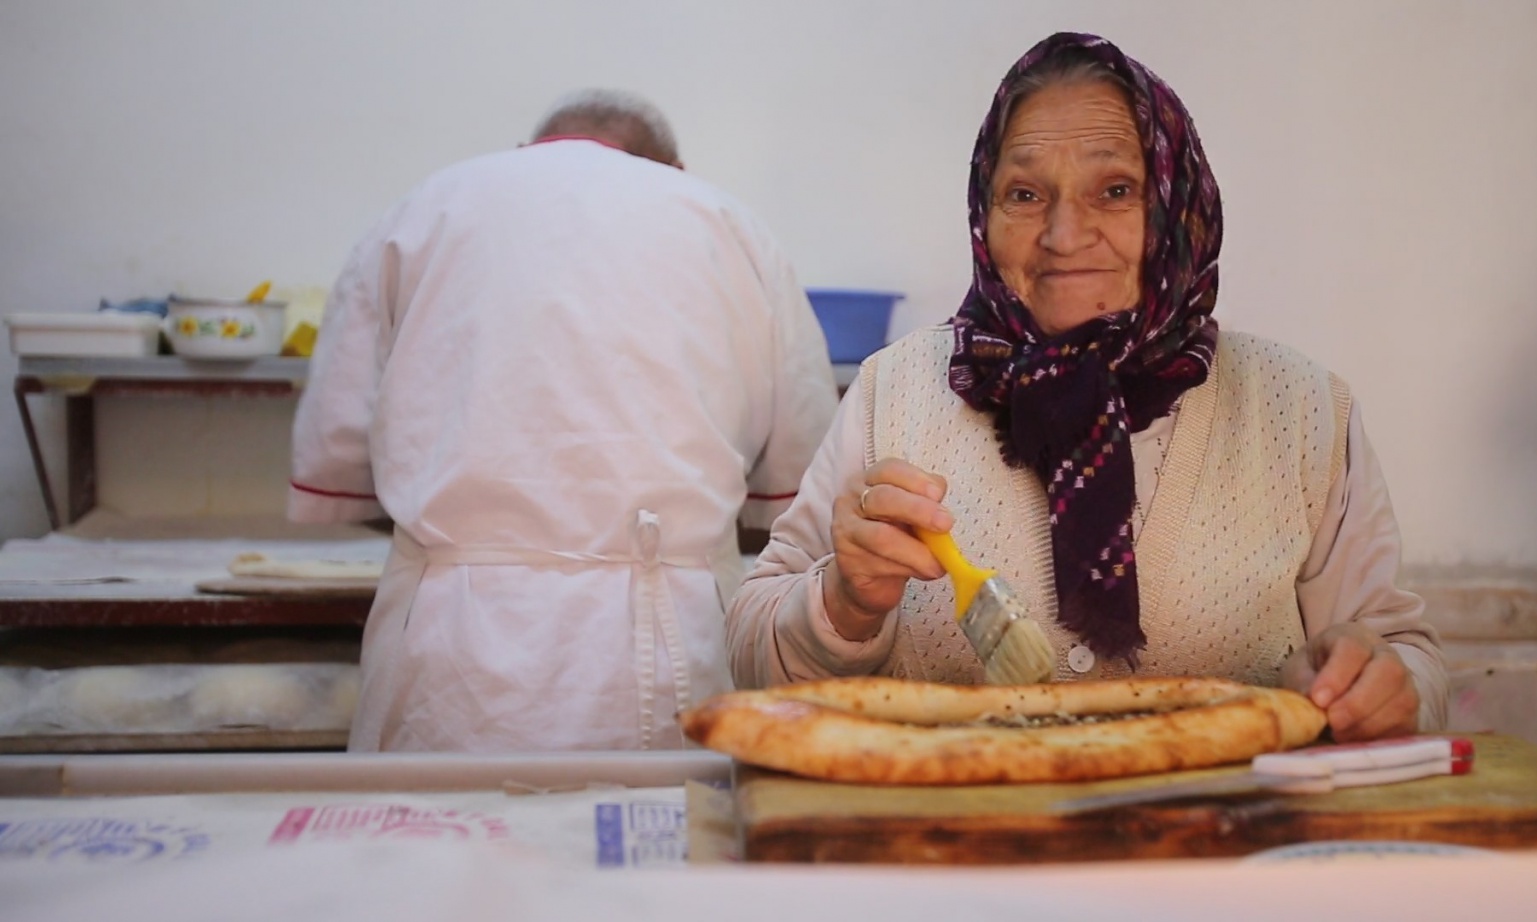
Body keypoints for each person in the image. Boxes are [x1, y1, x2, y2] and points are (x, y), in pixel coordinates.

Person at [727, 33, 1446, 742]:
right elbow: (753, 656)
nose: (1065, 235)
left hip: (1228, 822)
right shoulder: (895, 393)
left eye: (1115, 191)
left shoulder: (1301, 410)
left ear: (1178, 203)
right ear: (984, 212)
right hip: (956, 818)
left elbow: (1404, 660)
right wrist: (845, 603)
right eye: (1025, 194)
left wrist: (1383, 684)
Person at [289, 89, 839, 752]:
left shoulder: (424, 210)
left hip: (452, 644)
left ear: (526, 152)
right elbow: (802, 486)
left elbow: (339, 452)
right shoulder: (725, 222)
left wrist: (481, 538)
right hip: (672, 634)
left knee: (443, 818)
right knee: (667, 819)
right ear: (674, 169)